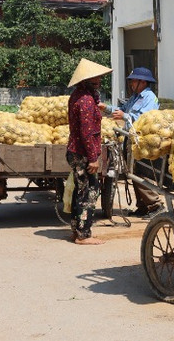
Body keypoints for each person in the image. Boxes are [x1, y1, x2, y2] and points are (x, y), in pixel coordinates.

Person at [98, 67, 162, 217]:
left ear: (143, 82)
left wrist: (125, 115)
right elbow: (122, 109)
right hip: (131, 139)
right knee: (132, 173)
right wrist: (106, 108)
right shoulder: (135, 97)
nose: (131, 83)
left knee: (141, 174)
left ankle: (155, 205)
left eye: (134, 81)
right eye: (131, 80)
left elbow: (145, 118)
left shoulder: (150, 97)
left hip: (143, 141)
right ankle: (143, 206)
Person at [66, 58, 113, 245]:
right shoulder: (85, 100)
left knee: (81, 190)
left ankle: (77, 231)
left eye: (99, 78)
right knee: (88, 192)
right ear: (86, 81)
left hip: (77, 152)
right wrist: (93, 158)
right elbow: (87, 133)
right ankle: (83, 235)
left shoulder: (80, 96)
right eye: (96, 79)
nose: (99, 81)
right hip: (82, 153)